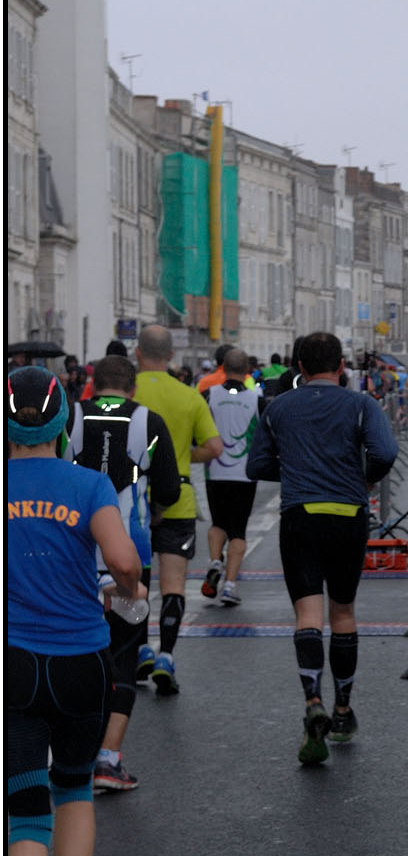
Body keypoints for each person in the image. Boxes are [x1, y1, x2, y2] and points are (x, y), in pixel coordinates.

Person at [7, 366, 144, 856]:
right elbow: (122, 562)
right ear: (65, 423)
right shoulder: (89, 485)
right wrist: (129, 588)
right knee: (75, 790)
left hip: (13, 663)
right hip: (80, 659)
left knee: (23, 811)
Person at [246, 332, 399, 764]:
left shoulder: (279, 408)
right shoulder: (361, 404)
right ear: (341, 366)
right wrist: (363, 477)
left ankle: (312, 699)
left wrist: (296, 466)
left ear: (299, 367)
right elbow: (386, 451)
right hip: (348, 515)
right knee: (344, 612)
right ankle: (343, 710)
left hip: (300, 516)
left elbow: (255, 465)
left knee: (307, 615)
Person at [66, 355, 179, 795]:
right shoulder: (149, 422)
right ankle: (109, 759)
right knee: (125, 653)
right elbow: (169, 488)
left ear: (93, 385)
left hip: (74, 552)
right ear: (132, 389)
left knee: (75, 647)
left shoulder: (71, 418)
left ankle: (73, 751)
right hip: (131, 554)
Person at [131, 324, 222, 697]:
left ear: (137, 353)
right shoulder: (189, 396)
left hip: (132, 501)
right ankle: (166, 655)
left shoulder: (128, 393)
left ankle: (139, 650)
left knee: (132, 583)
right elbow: (215, 448)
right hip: (178, 498)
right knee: (173, 585)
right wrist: (184, 456)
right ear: (172, 356)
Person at [199, 349, 261, 607]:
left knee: (218, 522)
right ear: (247, 370)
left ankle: (215, 561)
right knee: (238, 530)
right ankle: (231, 585)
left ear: (223, 367)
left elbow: (198, 429)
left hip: (215, 471)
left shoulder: (208, 395)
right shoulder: (258, 399)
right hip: (244, 473)